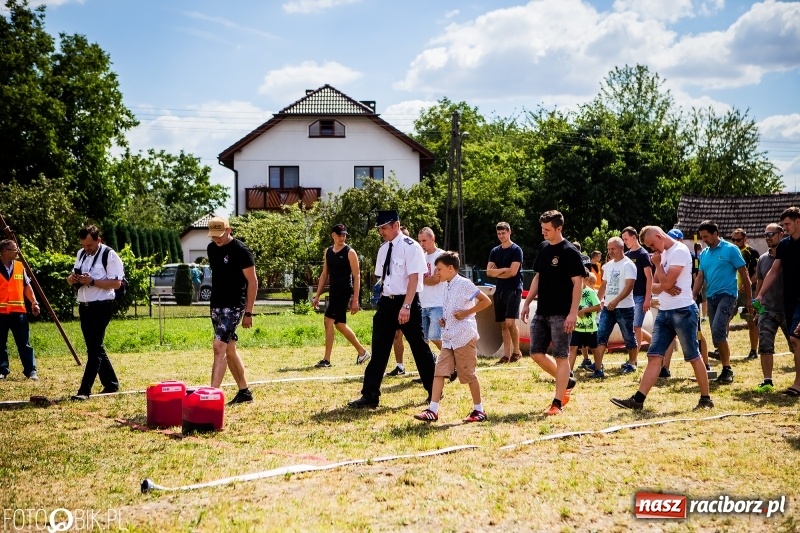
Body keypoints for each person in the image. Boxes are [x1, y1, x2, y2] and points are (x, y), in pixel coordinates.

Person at [611, 227, 713, 411]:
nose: (652, 250)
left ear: (659, 236)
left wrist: (659, 269)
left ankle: (706, 398)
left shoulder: (679, 252)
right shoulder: (663, 254)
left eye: (652, 245)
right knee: (653, 356)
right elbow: (655, 286)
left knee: (692, 356)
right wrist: (664, 284)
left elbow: (663, 283)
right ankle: (638, 400)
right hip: (665, 311)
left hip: (683, 310)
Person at [348, 210, 435, 408]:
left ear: (396, 225)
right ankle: (370, 395)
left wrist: (406, 306)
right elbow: (384, 277)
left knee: (419, 348)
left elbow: (414, 278)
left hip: (407, 301)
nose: (381, 232)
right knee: (379, 349)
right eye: (379, 229)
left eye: (384, 228)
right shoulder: (383, 249)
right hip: (387, 302)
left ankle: (434, 391)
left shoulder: (411, 247)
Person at [414, 252, 492, 422]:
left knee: (468, 374)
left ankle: (479, 410)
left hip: (464, 336)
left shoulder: (464, 284)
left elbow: (486, 301)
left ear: (451, 268)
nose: (437, 273)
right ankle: (432, 410)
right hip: (449, 337)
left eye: (439, 269)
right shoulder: (447, 285)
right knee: (439, 372)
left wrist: (466, 313)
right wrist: (444, 319)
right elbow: (451, 308)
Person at [520, 210, 584, 416]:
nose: (543, 232)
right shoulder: (544, 247)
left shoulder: (570, 252)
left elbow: (578, 284)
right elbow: (538, 276)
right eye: (542, 228)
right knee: (536, 353)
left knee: (561, 356)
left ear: (559, 228)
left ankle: (557, 403)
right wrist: (528, 301)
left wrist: (573, 313)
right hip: (542, 309)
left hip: (562, 313)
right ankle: (568, 380)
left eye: (547, 229)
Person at [66, 225, 124, 400]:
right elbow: (75, 275)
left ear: (98, 240)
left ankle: (84, 390)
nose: (86, 249)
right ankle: (111, 384)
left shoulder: (110, 255)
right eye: (83, 245)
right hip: (84, 306)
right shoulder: (81, 254)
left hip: (102, 305)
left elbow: (116, 283)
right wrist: (71, 279)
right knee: (95, 347)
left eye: (89, 245)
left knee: (94, 349)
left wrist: (92, 281)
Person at [692, 220, 752, 385]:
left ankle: (727, 368)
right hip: (711, 297)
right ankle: (726, 366)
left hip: (728, 295)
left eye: (706, 236)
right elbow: (700, 277)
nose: (703, 239)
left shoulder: (730, 249)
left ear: (715, 233)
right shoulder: (704, 254)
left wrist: (749, 298)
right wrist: (693, 295)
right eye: (701, 237)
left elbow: (744, 274)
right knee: (716, 334)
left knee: (718, 330)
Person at [206, 216, 257, 405]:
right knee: (229, 350)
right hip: (216, 305)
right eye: (213, 236)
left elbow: (253, 282)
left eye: (220, 235)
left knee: (219, 347)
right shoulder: (212, 249)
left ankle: (211, 397)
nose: (217, 240)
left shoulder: (241, 251)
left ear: (229, 230)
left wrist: (248, 312)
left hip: (234, 305)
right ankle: (244, 392)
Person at [756, 206, 800, 396]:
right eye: (782, 225)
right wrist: (760, 294)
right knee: (797, 341)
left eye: (787, 224)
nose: (785, 228)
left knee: (795, 339)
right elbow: (773, 271)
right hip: (788, 300)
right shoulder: (784, 246)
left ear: (798, 222)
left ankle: (798, 383)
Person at [312, 223, 370, 368]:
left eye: (344, 235)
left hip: (344, 290)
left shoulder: (350, 252)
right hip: (334, 290)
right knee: (340, 325)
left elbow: (357, 276)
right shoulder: (328, 252)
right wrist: (317, 295)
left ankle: (326, 360)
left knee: (328, 320)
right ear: (333, 235)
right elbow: (324, 274)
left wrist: (355, 299)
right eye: (339, 235)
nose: (342, 237)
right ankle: (362, 352)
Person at [590, 236, 638, 378]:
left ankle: (632, 363)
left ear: (621, 248)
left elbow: (629, 285)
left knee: (628, 335)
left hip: (625, 307)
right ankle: (598, 368)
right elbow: (604, 285)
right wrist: (597, 301)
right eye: (609, 248)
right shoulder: (607, 266)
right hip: (608, 307)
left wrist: (616, 301)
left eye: (613, 248)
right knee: (601, 335)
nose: (610, 251)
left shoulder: (628, 265)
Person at [753, 223, 789, 392]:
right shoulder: (762, 260)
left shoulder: (791, 254)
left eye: (771, 234)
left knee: (795, 345)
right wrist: (758, 311)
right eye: (765, 234)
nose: (767, 237)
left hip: (789, 308)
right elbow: (760, 285)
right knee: (765, 345)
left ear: (781, 235)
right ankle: (767, 380)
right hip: (767, 309)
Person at [0, 240, 40, 380]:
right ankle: (2, 370)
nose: (17, 252)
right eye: (14, 249)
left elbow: (27, 287)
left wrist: (34, 302)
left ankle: (31, 371)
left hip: (19, 312)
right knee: (0, 343)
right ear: (5, 251)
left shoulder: (19, 267)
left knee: (24, 343)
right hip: (1, 313)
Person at [487, 222, 523, 364]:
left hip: (513, 289)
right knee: (503, 324)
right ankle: (506, 355)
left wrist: (498, 272)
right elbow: (489, 272)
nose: (501, 236)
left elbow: (513, 272)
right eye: (499, 233)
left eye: (504, 233)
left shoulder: (516, 250)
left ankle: (517, 351)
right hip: (500, 290)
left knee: (510, 322)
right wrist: (504, 271)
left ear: (509, 232)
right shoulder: (495, 251)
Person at [621, 226, 654, 353]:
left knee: (636, 326)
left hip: (641, 296)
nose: (625, 242)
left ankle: (634, 357)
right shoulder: (627, 255)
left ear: (634, 237)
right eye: (623, 240)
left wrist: (647, 298)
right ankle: (654, 344)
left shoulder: (643, 254)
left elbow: (649, 278)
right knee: (634, 326)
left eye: (626, 239)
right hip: (629, 296)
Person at [731, 228, 760, 360]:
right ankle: (719, 349)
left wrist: (747, 283)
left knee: (752, 321)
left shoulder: (751, 252)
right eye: (733, 240)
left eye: (738, 240)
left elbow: (758, 273)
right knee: (726, 318)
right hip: (732, 291)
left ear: (745, 239)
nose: (735, 242)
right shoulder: (731, 251)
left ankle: (754, 350)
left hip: (750, 291)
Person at [387, 226, 411, 377]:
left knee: (421, 339)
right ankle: (400, 366)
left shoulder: (412, 251)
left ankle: (444, 360)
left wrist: (407, 305)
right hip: (395, 303)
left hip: (410, 302)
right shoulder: (388, 251)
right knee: (397, 334)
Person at [571, 272, 601, 372]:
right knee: (572, 349)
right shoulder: (572, 291)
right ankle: (568, 373)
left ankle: (598, 369)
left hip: (590, 328)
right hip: (576, 327)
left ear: (586, 279)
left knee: (594, 349)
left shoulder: (590, 292)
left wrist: (584, 311)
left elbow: (598, 307)